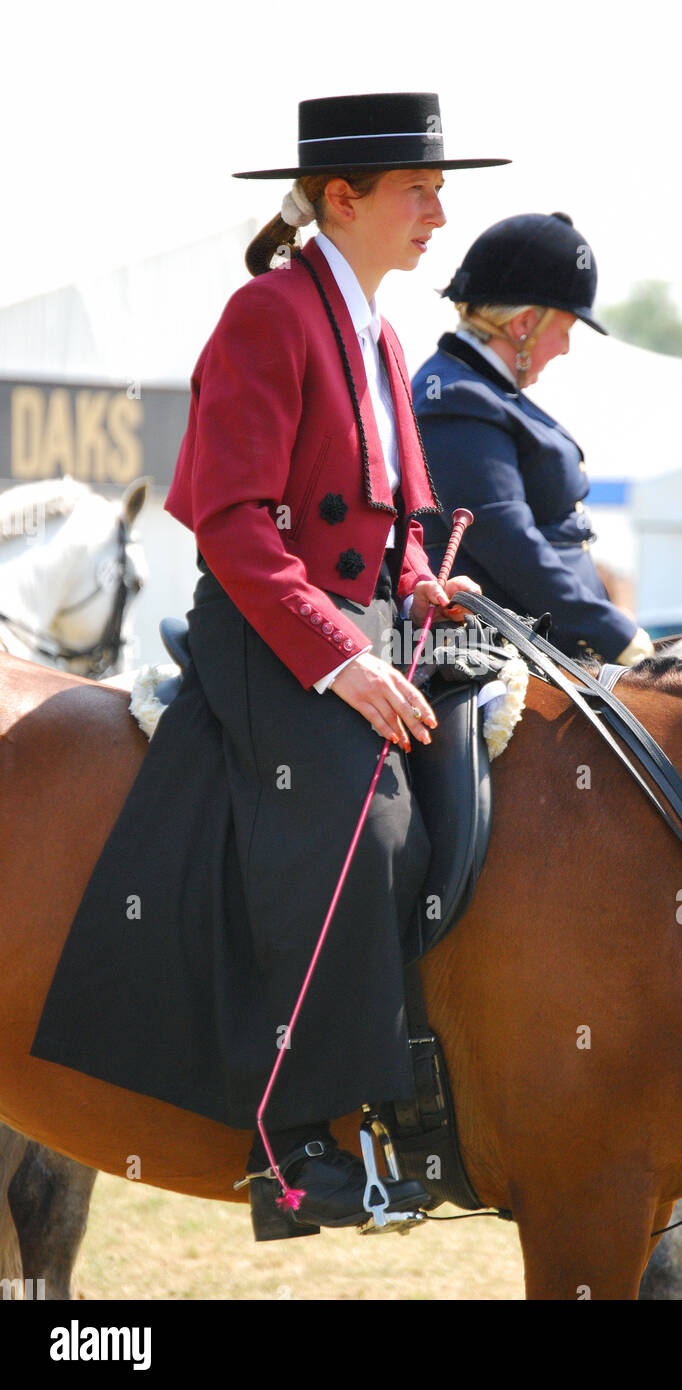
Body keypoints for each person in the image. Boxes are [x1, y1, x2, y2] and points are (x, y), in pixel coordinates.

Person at [31, 92, 504, 1239]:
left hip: (365, 622)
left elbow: (397, 516)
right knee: (364, 817)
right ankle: (300, 1147)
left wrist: (423, 585)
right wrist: (344, 662)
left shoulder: (382, 334)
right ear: (344, 199)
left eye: (441, 190)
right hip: (269, 633)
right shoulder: (268, 315)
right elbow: (236, 525)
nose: (441, 212)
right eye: (420, 189)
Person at [412, 212, 653, 666]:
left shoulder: (486, 391)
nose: (565, 347)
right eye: (565, 330)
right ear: (524, 324)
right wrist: (613, 633)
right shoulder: (458, 398)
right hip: (501, 660)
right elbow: (506, 538)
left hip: (548, 649)